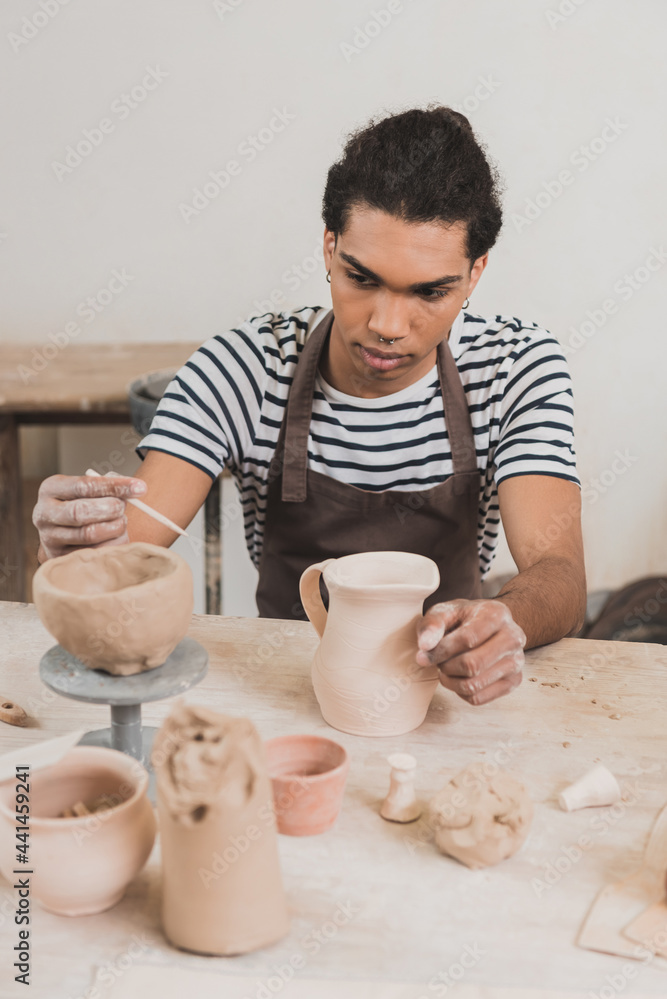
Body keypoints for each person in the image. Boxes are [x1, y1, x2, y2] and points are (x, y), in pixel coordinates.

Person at [33, 106, 587, 707]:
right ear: (329, 247)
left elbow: (559, 572)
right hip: (284, 690)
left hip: (442, 695)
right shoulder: (245, 366)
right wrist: (74, 544)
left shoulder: (514, 368)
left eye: (430, 292)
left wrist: (503, 622)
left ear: (475, 273)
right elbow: (120, 557)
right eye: (362, 277)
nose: (387, 325)